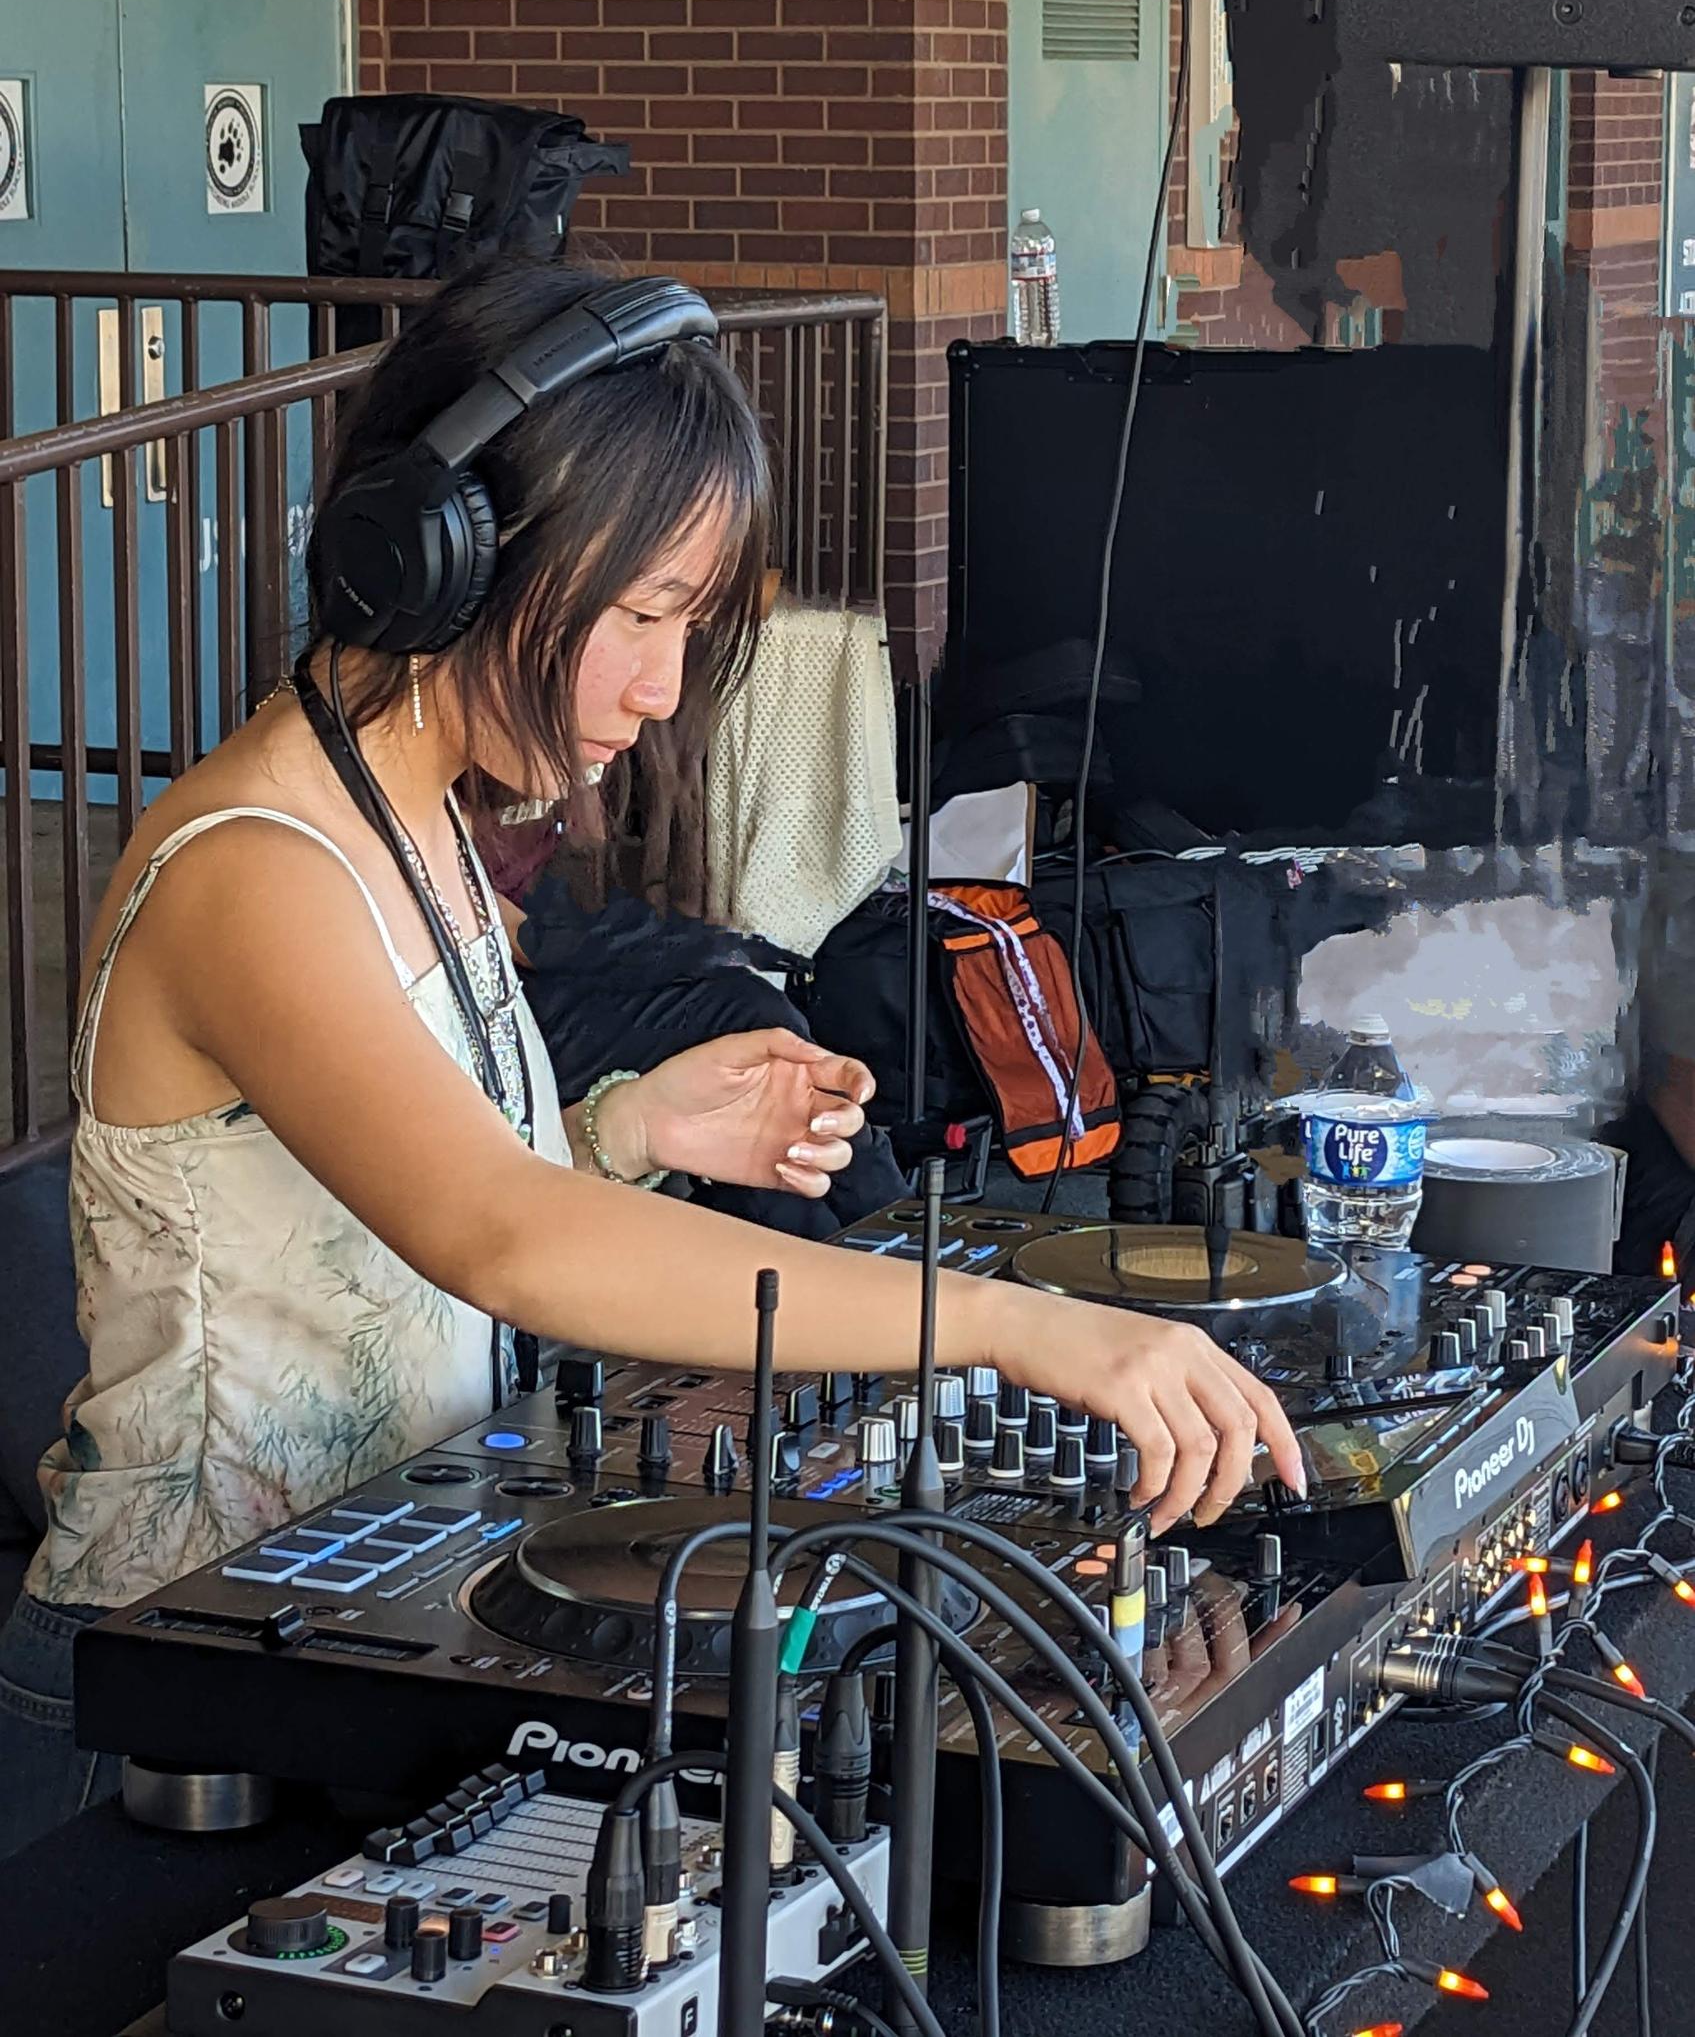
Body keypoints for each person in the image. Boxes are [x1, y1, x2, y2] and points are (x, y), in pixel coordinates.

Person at [0, 258, 1303, 1857]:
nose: (665, 689)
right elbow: (496, 1233)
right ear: (450, 559)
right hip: (162, 1695)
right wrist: (1018, 1329)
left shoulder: (419, 814)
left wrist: (623, 1126)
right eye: (642, 615)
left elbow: (382, 1204)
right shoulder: (255, 866)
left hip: (344, 1636)